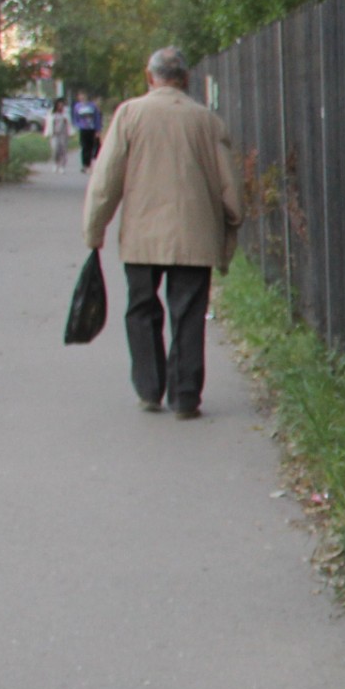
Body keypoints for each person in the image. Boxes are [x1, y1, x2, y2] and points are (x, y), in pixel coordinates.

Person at [82, 47, 243, 420]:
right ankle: (186, 397)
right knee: (188, 313)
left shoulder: (129, 115)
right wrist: (232, 223)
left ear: (148, 76)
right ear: (185, 80)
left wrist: (95, 229)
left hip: (142, 235)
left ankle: (150, 389)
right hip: (194, 234)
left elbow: (106, 181)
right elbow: (229, 186)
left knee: (141, 309)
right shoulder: (207, 121)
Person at [72, 90, 102, 173]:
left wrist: (98, 130)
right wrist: (77, 125)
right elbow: (75, 118)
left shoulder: (92, 106)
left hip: (91, 128)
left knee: (91, 147)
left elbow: (97, 118)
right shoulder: (77, 106)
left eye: (84, 96)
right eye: (81, 96)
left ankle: (90, 164)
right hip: (83, 129)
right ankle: (85, 164)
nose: (82, 97)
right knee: (84, 147)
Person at [43, 98, 71, 173]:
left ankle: (62, 166)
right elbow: (48, 124)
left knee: (63, 150)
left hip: (63, 134)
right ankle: (55, 164)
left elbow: (69, 124)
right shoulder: (51, 114)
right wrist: (46, 133)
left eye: (62, 105)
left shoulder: (65, 113)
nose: (60, 107)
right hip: (54, 134)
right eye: (59, 105)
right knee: (55, 150)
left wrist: (70, 133)